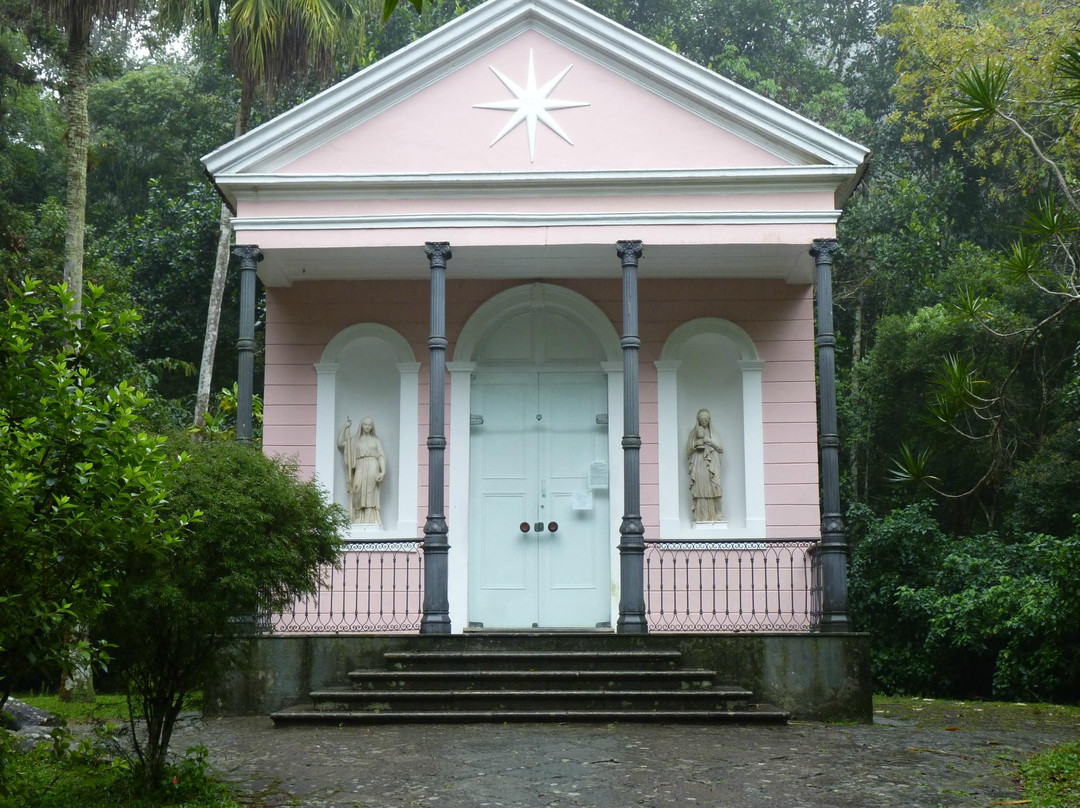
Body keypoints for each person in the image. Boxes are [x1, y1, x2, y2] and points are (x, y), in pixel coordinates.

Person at [337, 417, 386, 525]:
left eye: (369, 425)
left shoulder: (376, 441)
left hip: (373, 465)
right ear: (362, 426)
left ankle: (370, 520)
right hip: (360, 465)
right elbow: (340, 444)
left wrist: (383, 472)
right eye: (365, 424)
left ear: (372, 427)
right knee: (356, 488)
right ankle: (358, 518)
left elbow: (381, 456)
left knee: (370, 492)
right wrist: (344, 428)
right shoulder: (355, 440)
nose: (367, 427)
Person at [686, 408, 724, 522]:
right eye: (701, 420)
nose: (703, 422)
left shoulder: (714, 433)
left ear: (709, 420)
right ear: (698, 420)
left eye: (706, 420)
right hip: (699, 463)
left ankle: (717, 514)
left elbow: (721, 449)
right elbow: (688, 451)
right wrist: (695, 444)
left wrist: (709, 441)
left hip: (712, 463)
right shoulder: (693, 433)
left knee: (715, 487)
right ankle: (701, 516)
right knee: (700, 489)